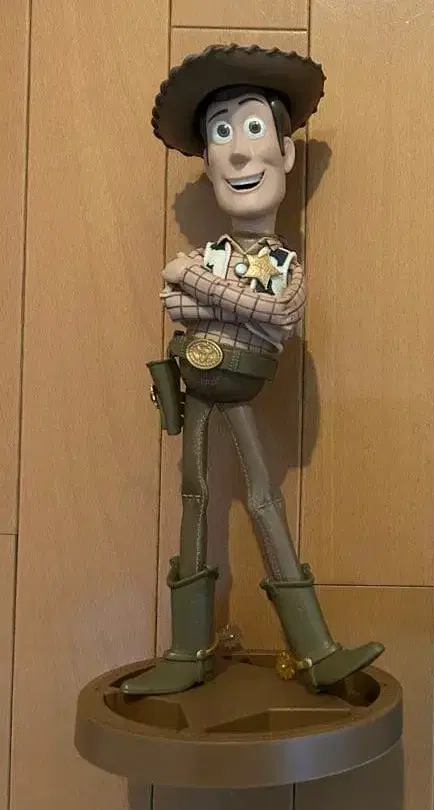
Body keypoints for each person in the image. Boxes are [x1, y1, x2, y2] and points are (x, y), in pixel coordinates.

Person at [122, 44, 383, 695]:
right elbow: (174, 303)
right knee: (194, 494)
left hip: (238, 386)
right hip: (198, 385)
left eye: (254, 127)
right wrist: (228, 300)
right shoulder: (210, 255)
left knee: (264, 497)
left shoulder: (272, 264)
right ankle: (188, 648)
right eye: (221, 132)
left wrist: (203, 287)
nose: (239, 152)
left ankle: (314, 645)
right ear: (208, 161)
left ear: (286, 153)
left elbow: (281, 313)